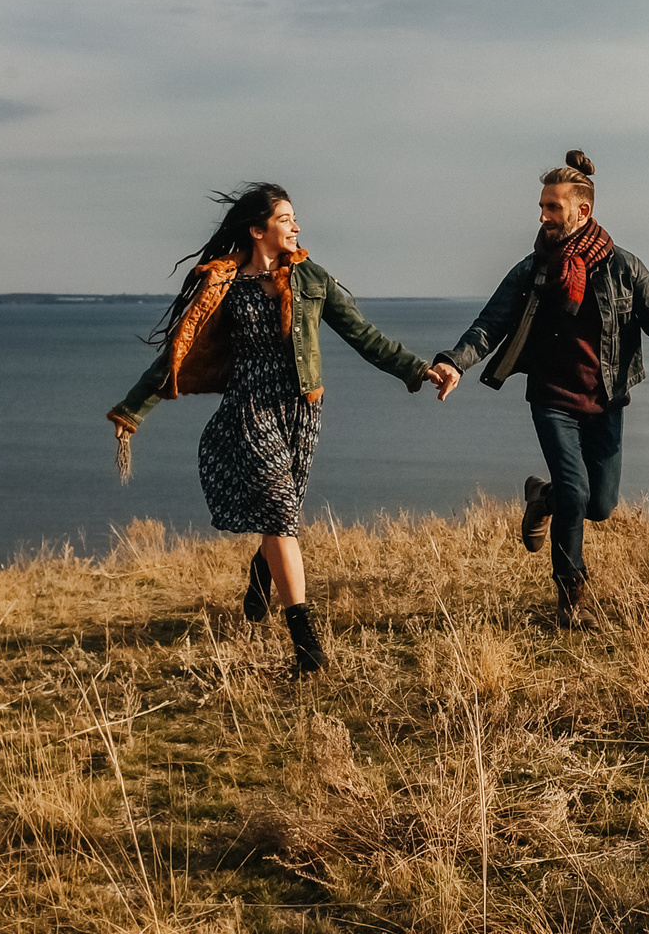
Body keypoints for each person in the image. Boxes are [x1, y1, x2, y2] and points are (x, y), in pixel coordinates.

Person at [107, 183, 436, 677]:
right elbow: (178, 351)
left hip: (300, 412)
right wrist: (132, 412)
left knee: (281, 517)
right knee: (281, 515)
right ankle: (307, 645)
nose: (296, 226)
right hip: (249, 410)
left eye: (294, 218)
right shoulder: (221, 284)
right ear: (259, 230)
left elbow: (363, 335)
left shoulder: (311, 279)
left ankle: (263, 574)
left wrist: (416, 369)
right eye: (286, 218)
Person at [424, 151, 649, 628]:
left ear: (582, 211)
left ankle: (541, 496)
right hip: (553, 400)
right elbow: (490, 324)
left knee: (600, 505)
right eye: (542, 206)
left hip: (606, 400)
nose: (542, 216)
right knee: (577, 494)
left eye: (553, 207)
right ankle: (570, 605)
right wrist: (455, 362)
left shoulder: (625, 268)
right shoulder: (533, 270)